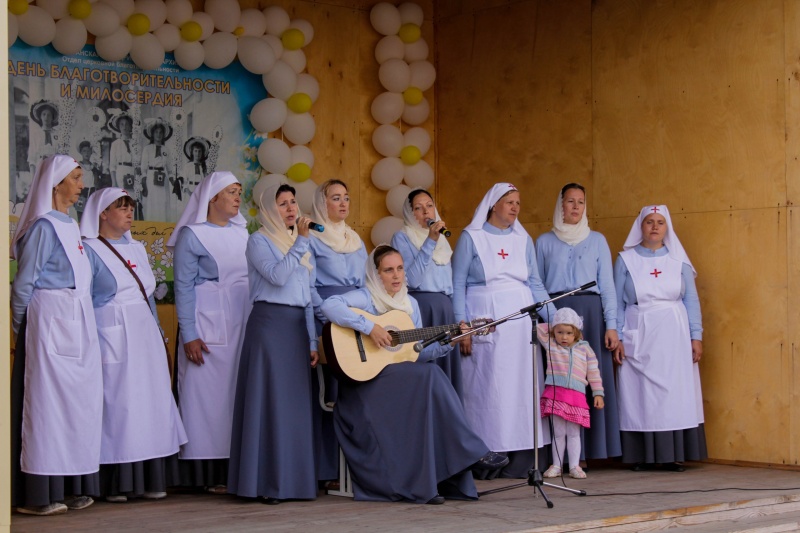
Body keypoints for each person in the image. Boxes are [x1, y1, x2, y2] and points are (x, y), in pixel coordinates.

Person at [321, 245, 508, 504]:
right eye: (388, 270)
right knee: (429, 376)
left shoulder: (410, 304)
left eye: (399, 268)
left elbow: (416, 352)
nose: (396, 276)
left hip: (398, 383)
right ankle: (471, 451)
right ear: (376, 274)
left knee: (428, 373)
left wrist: (450, 342)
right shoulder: (366, 297)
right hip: (364, 386)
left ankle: (430, 481)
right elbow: (329, 305)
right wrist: (370, 327)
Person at [80, 188, 187, 502]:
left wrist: (157, 332)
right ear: (102, 213)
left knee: (150, 403)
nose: (129, 213)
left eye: (131, 207)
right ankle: (116, 482)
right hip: (110, 332)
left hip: (144, 333)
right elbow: (84, 299)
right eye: (121, 207)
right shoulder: (87, 250)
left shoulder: (138, 248)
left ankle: (151, 477)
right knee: (120, 405)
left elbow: (146, 295)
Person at [10, 154, 102, 516]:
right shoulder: (43, 227)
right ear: (56, 183)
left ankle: (69, 484)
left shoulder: (69, 224)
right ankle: (38, 492)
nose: (81, 185)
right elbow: (24, 284)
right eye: (76, 178)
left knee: (76, 405)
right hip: (49, 321)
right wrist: (23, 327)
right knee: (46, 407)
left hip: (75, 320)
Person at [452, 182, 556, 478]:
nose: (514, 207)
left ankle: (522, 458)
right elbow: (457, 283)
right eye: (509, 202)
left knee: (521, 389)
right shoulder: (471, 238)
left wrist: (556, 317)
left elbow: (535, 282)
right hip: (485, 319)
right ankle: (485, 456)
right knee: (488, 390)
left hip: (521, 322)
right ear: (493, 205)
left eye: (518, 203)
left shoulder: (524, 240)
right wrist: (463, 327)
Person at [228, 183, 319, 504]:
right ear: (268, 208)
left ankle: (293, 482)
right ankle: (265, 482)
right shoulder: (259, 241)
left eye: (293, 202)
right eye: (282, 204)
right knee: (270, 403)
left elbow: (308, 296)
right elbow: (278, 277)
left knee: (293, 405)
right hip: (269, 326)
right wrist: (302, 243)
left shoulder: (301, 243)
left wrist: (311, 339)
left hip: (296, 329)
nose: (291, 209)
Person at [167, 171, 250, 495]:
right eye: (231, 192)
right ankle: (201, 470)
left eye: (239, 192)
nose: (236, 197)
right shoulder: (192, 235)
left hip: (241, 321)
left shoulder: (244, 233)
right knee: (203, 398)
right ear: (212, 198)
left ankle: (234, 466)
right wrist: (188, 333)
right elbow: (183, 288)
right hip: (206, 324)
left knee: (233, 397)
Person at [613, 205, 706, 471]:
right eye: (649, 222)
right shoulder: (625, 260)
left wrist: (695, 336)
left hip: (674, 332)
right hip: (639, 327)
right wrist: (618, 336)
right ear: (640, 226)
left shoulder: (679, 261)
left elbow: (691, 300)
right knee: (640, 393)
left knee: (673, 393)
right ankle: (641, 455)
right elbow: (617, 302)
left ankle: (673, 454)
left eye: (660, 222)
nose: (655, 227)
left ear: (667, 227)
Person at [535, 183, 621, 462]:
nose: (575, 207)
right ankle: (564, 457)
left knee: (590, 376)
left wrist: (611, 325)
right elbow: (536, 283)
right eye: (569, 201)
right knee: (563, 378)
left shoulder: (597, 240)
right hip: (557, 313)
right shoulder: (544, 241)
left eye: (580, 202)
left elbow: (607, 286)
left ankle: (594, 450)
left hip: (592, 317)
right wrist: (553, 319)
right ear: (560, 205)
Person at [308, 179, 368, 484]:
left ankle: (355, 468)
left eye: (346, 197)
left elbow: (367, 281)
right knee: (328, 390)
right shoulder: (312, 238)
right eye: (335, 198)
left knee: (355, 389)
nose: (343, 203)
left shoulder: (355, 239)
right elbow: (309, 284)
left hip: (355, 319)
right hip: (327, 320)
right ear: (322, 203)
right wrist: (325, 315)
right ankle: (327, 469)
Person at [391, 188, 462, 396]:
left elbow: (451, 285)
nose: (426, 212)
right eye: (418, 208)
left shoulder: (443, 241)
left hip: (445, 310)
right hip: (422, 309)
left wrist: (458, 319)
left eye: (429, 206)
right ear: (409, 213)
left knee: (447, 369)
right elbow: (412, 279)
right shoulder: (402, 237)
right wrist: (429, 241)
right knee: (426, 365)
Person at [537, 308, 604, 480]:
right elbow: (539, 329)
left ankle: (574, 465)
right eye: (559, 332)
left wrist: (598, 393)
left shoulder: (585, 349)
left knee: (574, 433)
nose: (564, 337)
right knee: (558, 433)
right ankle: (557, 465)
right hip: (556, 394)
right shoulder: (551, 344)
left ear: (576, 333)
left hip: (576, 396)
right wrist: (555, 324)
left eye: (568, 333)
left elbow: (593, 371)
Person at [108, 112, 143, 220]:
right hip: (121, 172)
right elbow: (112, 166)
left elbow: (139, 163)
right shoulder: (115, 144)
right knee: (122, 200)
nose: (125, 127)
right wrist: (114, 182)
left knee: (133, 200)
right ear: (118, 127)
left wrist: (139, 179)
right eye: (122, 124)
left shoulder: (136, 144)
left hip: (133, 172)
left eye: (127, 124)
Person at [140, 118, 174, 221]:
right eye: (156, 132)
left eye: (161, 132)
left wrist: (174, 182)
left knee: (163, 202)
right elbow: (143, 169)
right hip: (150, 178)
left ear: (163, 135)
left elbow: (170, 169)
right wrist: (144, 185)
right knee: (151, 204)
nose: (158, 135)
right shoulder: (147, 149)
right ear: (152, 134)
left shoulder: (166, 150)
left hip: (163, 180)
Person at [177, 137, 211, 214]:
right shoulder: (188, 166)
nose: (197, 154)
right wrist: (188, 192)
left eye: (199, 151)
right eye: (195, 151)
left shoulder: (205, 167)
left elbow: (206, 182)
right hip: (189, 191)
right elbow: (183, 181)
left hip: (200, 192)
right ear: (192, 152)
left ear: (202, 153)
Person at [28, 100, 59, 173]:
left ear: (52, 117)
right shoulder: (36, 135)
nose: (46, 117)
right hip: (40, 170)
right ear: (40, 117)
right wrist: (33, 180)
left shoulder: (57, 134)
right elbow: (32, 159)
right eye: (44, 114)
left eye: (49, 115)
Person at [75, 141, 102, 221]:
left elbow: (97, 182)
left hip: (92, 192)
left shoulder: (93, 166)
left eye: (88, 151)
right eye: (84, 151)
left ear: (91, 152)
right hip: (82, 193)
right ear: (81, 153)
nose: (86, 153)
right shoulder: (78, 166)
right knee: (81, 215)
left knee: (91, 216)